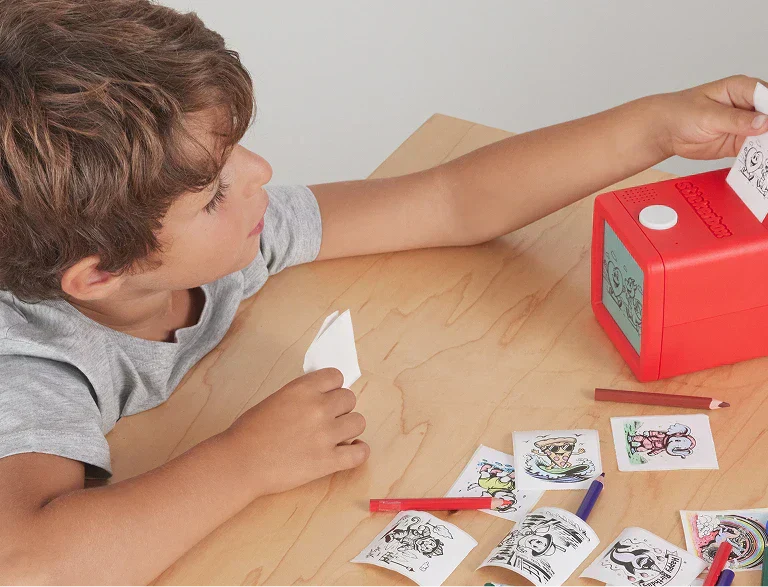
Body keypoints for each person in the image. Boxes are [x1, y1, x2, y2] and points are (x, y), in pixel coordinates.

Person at [0, 0, 766, 584]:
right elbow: (29, 563)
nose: (263, 173)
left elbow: (450, 199)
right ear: (100, 274)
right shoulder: (32, 364)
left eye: (236, 151)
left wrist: (655, 130)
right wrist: (244, 462)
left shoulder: (225, 239)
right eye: (213, 193)